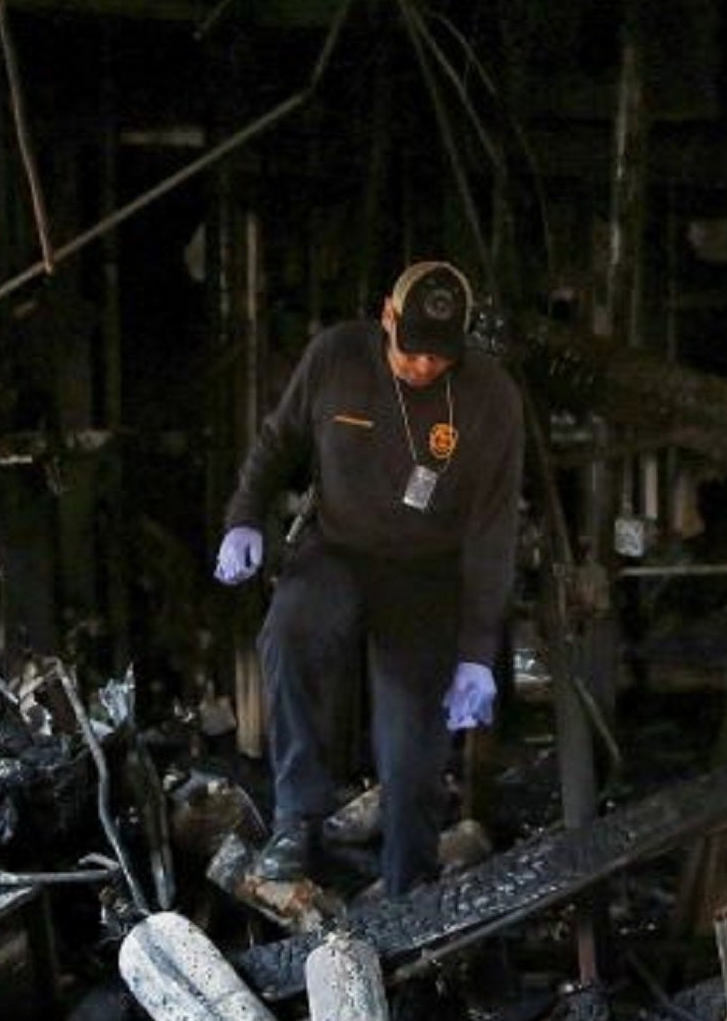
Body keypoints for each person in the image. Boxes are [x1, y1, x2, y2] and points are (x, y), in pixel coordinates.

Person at [212, 260, 524, 894]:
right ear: (387, 317)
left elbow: (494, 533)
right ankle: (298, 818)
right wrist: (244, 518)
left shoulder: (491, 397)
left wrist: (477, 653)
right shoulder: (336, 358)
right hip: (337, 550)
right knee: (288, 633)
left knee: (412, 748)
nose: (423, 367)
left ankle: (410, 883)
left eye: (440, 357)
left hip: (426, 575)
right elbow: (278, 444)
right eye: (411, 352)